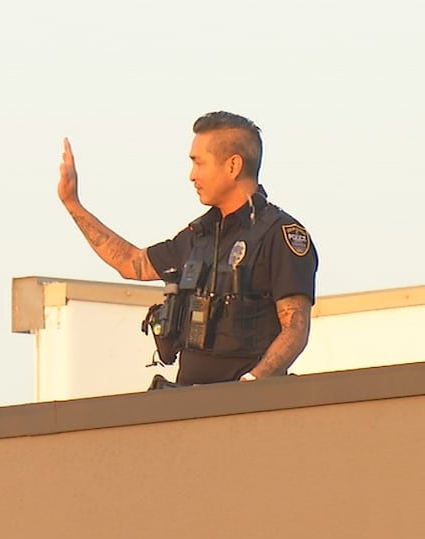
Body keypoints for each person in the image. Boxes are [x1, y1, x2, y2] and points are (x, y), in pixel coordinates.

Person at [56, 111, 319, 386]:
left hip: (245, 411)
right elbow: (133, 263)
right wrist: (73, 205)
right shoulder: (199, 235)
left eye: (199, 163)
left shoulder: (280, 234)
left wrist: (251, 386)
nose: (192, 175)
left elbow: (296, 328)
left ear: (233, 166)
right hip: (188, 407)